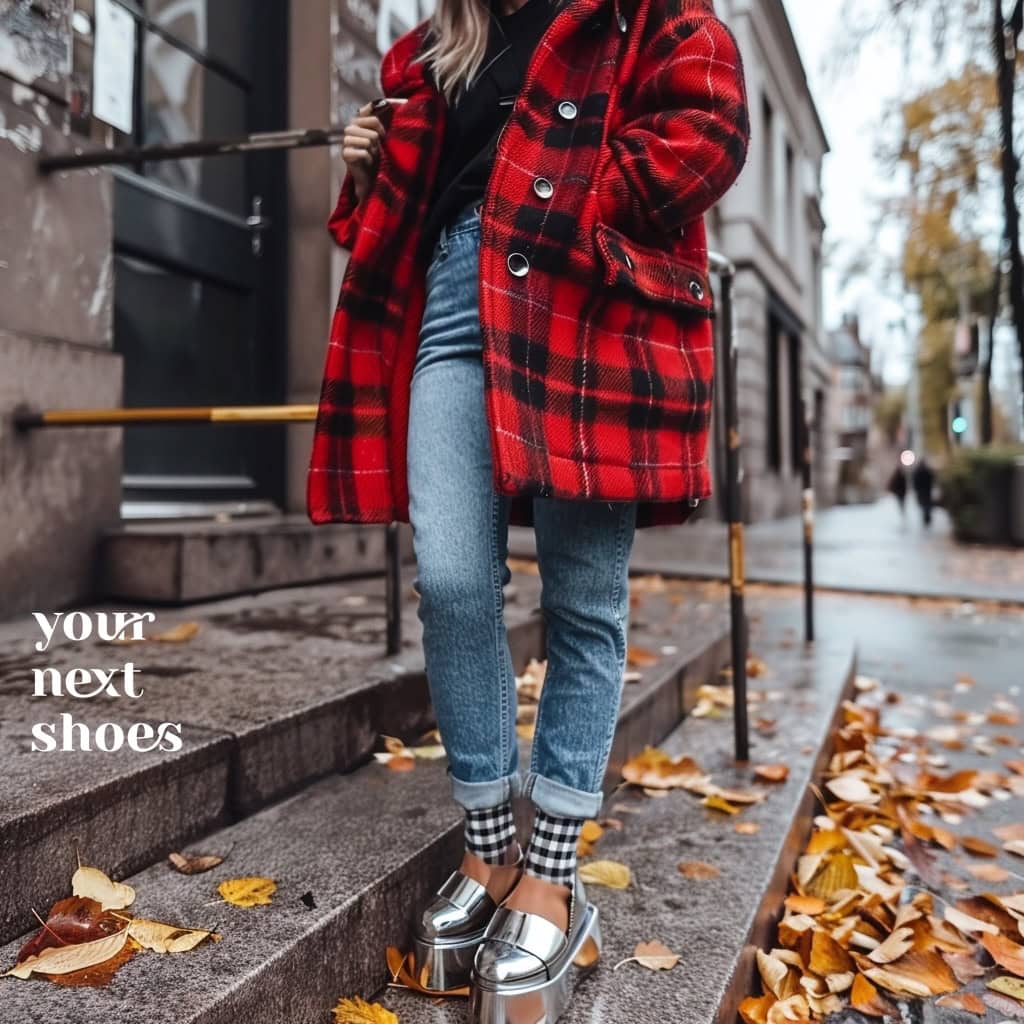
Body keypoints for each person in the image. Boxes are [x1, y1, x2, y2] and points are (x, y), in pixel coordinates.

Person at [306, 0, 749, 1018]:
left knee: (584, 599)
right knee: (455, 578)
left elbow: (710, 125)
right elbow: (400, 215)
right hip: (454, 301)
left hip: (587, 296)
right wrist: (370, 168)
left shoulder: (647, 12)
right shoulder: (429, 47)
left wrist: (579, 204)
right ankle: (488, 847)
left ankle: (551, 876)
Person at [912, 458, 935, 528]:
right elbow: (931, 479)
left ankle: (926, 518)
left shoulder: (917, 471)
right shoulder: (927, 471)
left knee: (924, 506)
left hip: (922, 491)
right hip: (926, 491)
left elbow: (915, 482)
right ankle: (927, 518)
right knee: (927, 505)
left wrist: (916, 489)